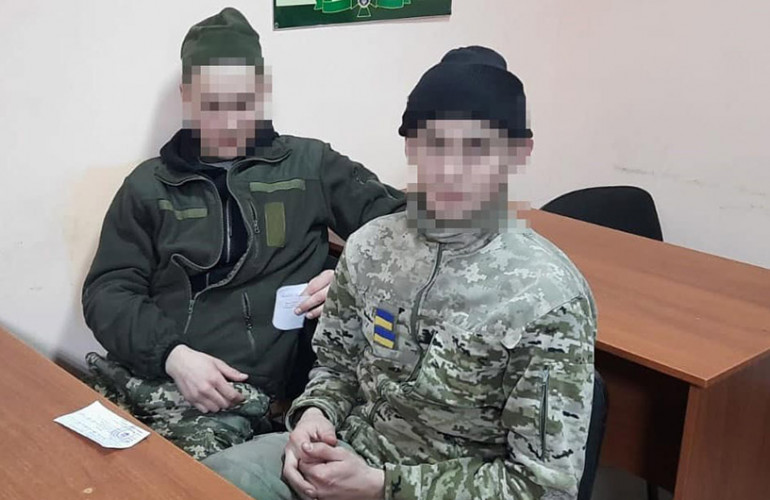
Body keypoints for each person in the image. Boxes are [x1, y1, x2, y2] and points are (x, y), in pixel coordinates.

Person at [203, 46, 597, 499]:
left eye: (477, 148)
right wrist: (314, 416)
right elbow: (335, 366)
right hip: (346, 455)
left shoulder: (546, 297)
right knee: (205, 481)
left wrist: (381, 487)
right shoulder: (370, 246)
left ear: (518, 153)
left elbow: (544, 487)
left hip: (432, 487)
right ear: (411, 146)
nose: (451, 170)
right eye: (435, 145)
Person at [82, 7, 405, 460]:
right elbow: (108, 291)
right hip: (151, 371)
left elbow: (405, 225)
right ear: (186, 96)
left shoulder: (309, 166)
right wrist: (173, 355)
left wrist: (353, 276)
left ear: (262, 90)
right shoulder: (148, 186)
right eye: (212, 106)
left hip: (237, 397)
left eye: (243, 103)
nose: (230, 122)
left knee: (168, 481)